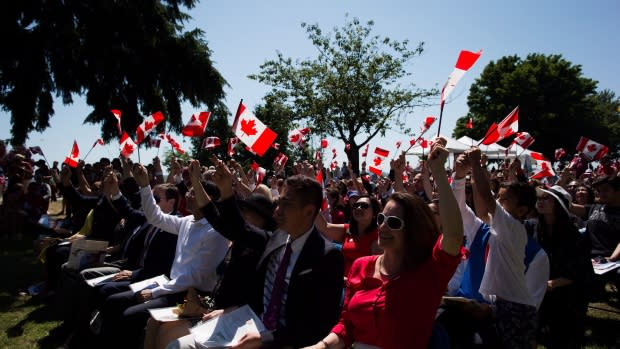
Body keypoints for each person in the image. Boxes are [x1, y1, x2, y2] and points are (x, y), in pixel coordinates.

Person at [169, 155, 344, 349]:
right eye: (278, 202)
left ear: (309, 212)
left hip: (284, 341)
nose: (277, 211)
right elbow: (236, 228)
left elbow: (317, 324)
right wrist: (226, 191)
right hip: (247, 323)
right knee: (178, 345)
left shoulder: (327, 257)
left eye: (286, 204)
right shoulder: (275, 240)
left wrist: (266, 339)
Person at [305, 142, 463, 348]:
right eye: (381, 219)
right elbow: (347, 326)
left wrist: (439, 173)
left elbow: (453, 236)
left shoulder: (429, 271)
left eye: (394, 222)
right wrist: (322, 346)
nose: (383, 227)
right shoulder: (360, 266)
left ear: (413, 230)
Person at [143, 161, 278, 349]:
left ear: (263, 220)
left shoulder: (264, 244)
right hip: (210, 306)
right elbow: (216, 217)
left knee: (173, 343)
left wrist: (216, 310)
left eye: (246, 212)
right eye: (242, 210)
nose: (241, 215)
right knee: (154, 323)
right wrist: (196, 181)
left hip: (235, 316)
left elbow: (255, 298)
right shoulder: (238, 241)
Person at [97, 163, 229, 349]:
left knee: (130, 315)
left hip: (189, 297)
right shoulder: (187, 221)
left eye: (194, 192)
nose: (189, 196)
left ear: (209, 200)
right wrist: (144, 186)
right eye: (189, 191)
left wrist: (155, 292)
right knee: (112, 300)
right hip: (170, 287)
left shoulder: (215, 232)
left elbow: (194, 276)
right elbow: (155, 217)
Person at [466, 147, 541, 348]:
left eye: (504, 199)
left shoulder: (512, 227)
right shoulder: (504, 225)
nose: (498, 202)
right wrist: (475, 174)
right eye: (498, 197)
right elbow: (482, 209)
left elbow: (487, 200)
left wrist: (475, 164)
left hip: (516, 307)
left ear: (522, 210)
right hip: (504, 303)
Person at [532, 185, 594, 348]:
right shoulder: (533, 227)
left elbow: (582, 272)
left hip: (566, 294)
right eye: (539, 198)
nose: (540, 201)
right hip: (539, 291)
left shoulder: (575, 234)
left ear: (559, 205)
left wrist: (552, 284)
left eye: (547, 198)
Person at [315, 193, 382, 275]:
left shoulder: (378, 237)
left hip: (360, 285)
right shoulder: (348, 230)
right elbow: (324, 226)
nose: (358, 208)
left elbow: (376, 271)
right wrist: (312, 203)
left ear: (374, 213)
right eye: (356, 205)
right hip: (342, 282)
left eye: (364, 206)